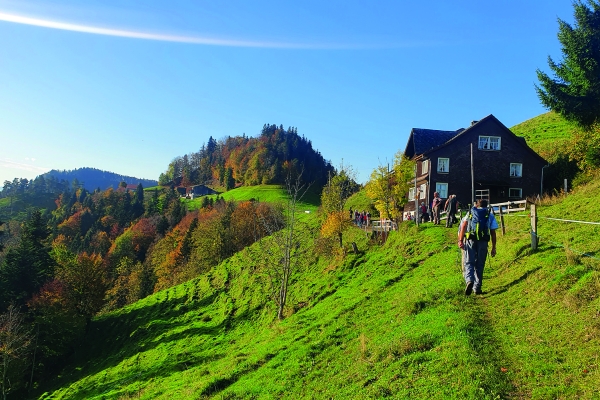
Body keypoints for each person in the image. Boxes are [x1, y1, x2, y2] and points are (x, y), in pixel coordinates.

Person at [457, 199, 498, 295]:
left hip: (470, 239)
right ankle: (477, 287)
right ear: (486, 205)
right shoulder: (489, 215)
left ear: (477, 205)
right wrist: (493, 247)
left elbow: (463, 226)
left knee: (469, 262)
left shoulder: (471, 212)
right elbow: (493, 232)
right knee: (480, 264)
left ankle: (469, 280)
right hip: (483, 241)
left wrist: (460, 240)